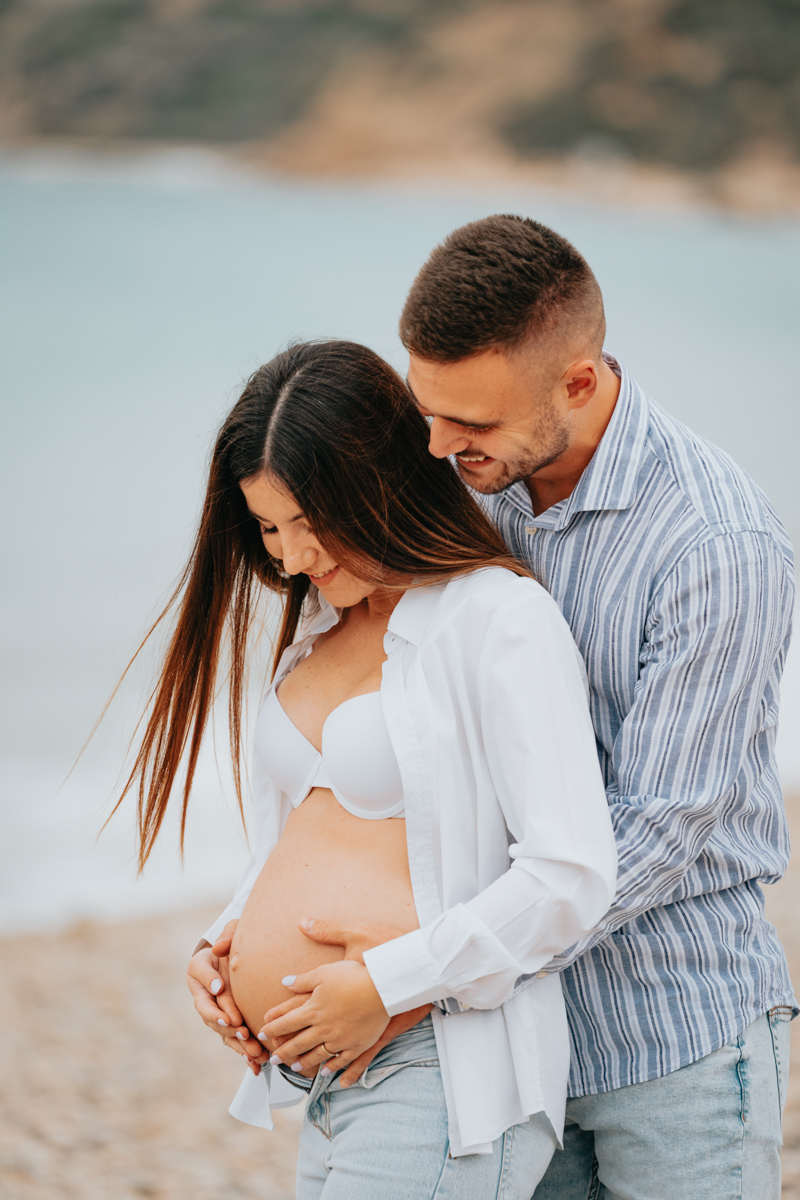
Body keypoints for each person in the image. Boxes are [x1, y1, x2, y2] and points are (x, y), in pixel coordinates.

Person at [220, 214, 796, 1199]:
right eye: (428, 411)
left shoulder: (713, 542)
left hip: (667, 1031)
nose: (438, 446)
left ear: (578, 381)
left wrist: (418, 973)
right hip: (502, 1041)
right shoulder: (463, 488)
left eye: (471, 425)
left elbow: (659, 824)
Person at [126, 339, 617, 1199]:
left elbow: (570, 873)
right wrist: (228, 940)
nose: (288, 557)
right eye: (269, 528)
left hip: (440, 1066)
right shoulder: (318, 630)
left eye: (309, 524)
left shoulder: (497, 617)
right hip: (326, 1079)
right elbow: (316, 834)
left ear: (379, 481)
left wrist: (385, 984)